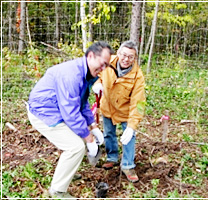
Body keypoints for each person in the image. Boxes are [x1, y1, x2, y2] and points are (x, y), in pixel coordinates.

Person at [27, 41, 114, 198]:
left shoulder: (87, 74)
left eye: (106, 66)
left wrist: (92, 126)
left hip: (57, 108)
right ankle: (57, 191)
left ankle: (67, 171)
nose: (103, 69)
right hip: (43, 111)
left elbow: (82, 103)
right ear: (91, 56)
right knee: (75, 146)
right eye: (102, 64)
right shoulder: (71, 75)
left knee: (77, 140)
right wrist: (89, 138)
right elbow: (70, 112)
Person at [92, 41, 145, 183]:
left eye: (131, 57)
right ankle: (112, 157)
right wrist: (96, 84)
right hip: (107, 107)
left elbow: (138, 103)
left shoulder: (137, 76)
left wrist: (132, 126)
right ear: (119, 53)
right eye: (124, 55)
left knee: (129, 137)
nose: (126, 59)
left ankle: (128, 165)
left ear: (135, 58)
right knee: (108, 133)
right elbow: (97, 75)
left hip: (125, 111)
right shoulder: (108, 62)